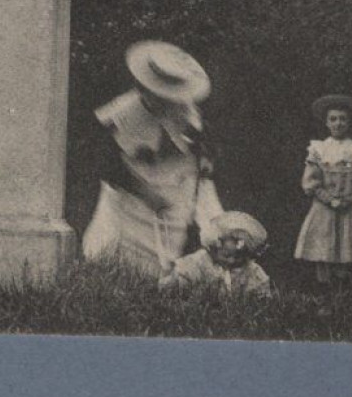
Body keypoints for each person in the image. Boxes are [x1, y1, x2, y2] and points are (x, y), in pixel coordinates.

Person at [83, 41, 220, 277]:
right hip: (132, 194)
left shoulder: (185, 111)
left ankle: (162, 283)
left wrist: (205, 160)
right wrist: (144, 192)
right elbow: (106, 165)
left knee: (169, 247)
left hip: (173, 188)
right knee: (120, 251)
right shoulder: (122, 113)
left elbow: (202, 145)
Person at [294, 94, 352, 286]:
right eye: (333, 119)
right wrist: (329, 199)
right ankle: (325, 293)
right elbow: (310, 182)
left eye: (343, 119)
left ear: (350, 122)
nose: (338, 123)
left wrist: (350, 199)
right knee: (324, 249)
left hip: (350, 208)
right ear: (326, 123)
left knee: (348, 249)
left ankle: (345, 295)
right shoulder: (319, 148)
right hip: (324, 207)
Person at [160, 210, 274, 298]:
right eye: (226, 255)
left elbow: (261, 293)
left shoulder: (251, 271)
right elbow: (174, 287)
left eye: (238, 257)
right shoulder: (197, 264)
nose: (231, 261)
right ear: (213, 248)